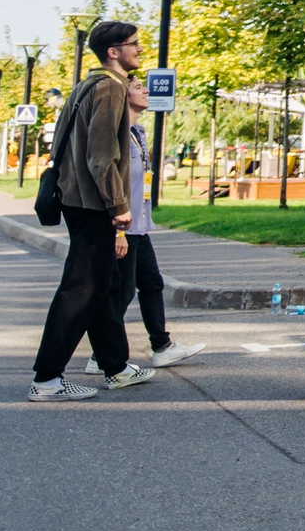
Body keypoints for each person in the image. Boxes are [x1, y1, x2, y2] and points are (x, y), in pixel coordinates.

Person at [29, 22, 156, 402]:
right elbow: (102, 156)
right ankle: (47, 379)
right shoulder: (110, 89)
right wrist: (119, 207)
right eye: (133, 45)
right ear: (114, 52)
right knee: (81, 288)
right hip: (92, 202)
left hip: (75, 197)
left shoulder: (85, 85)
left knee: (102, 285)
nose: (139, 49)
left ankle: (115, 366)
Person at [77, 76, 206, 375]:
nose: (147, 90)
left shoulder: (137, 132)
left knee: (151, 284)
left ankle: (161, 346)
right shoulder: (117, 134)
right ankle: (100, 356)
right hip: (123, 226)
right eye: (138, 88)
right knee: (120, 295)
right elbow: (113, 181)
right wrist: (118, 230)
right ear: (123, 96)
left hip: (140, 225)